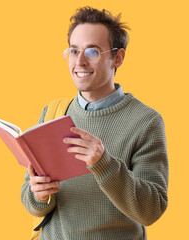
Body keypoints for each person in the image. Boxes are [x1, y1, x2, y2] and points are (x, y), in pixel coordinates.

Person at [21, 6, 168, 240]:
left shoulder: (146, 121)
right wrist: (38, 195)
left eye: (92, 52)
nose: (79, 62)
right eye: (73, 50)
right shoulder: (53, 112)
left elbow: (151, 210)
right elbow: (31, 202)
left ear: (117, 58)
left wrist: (104, 163)